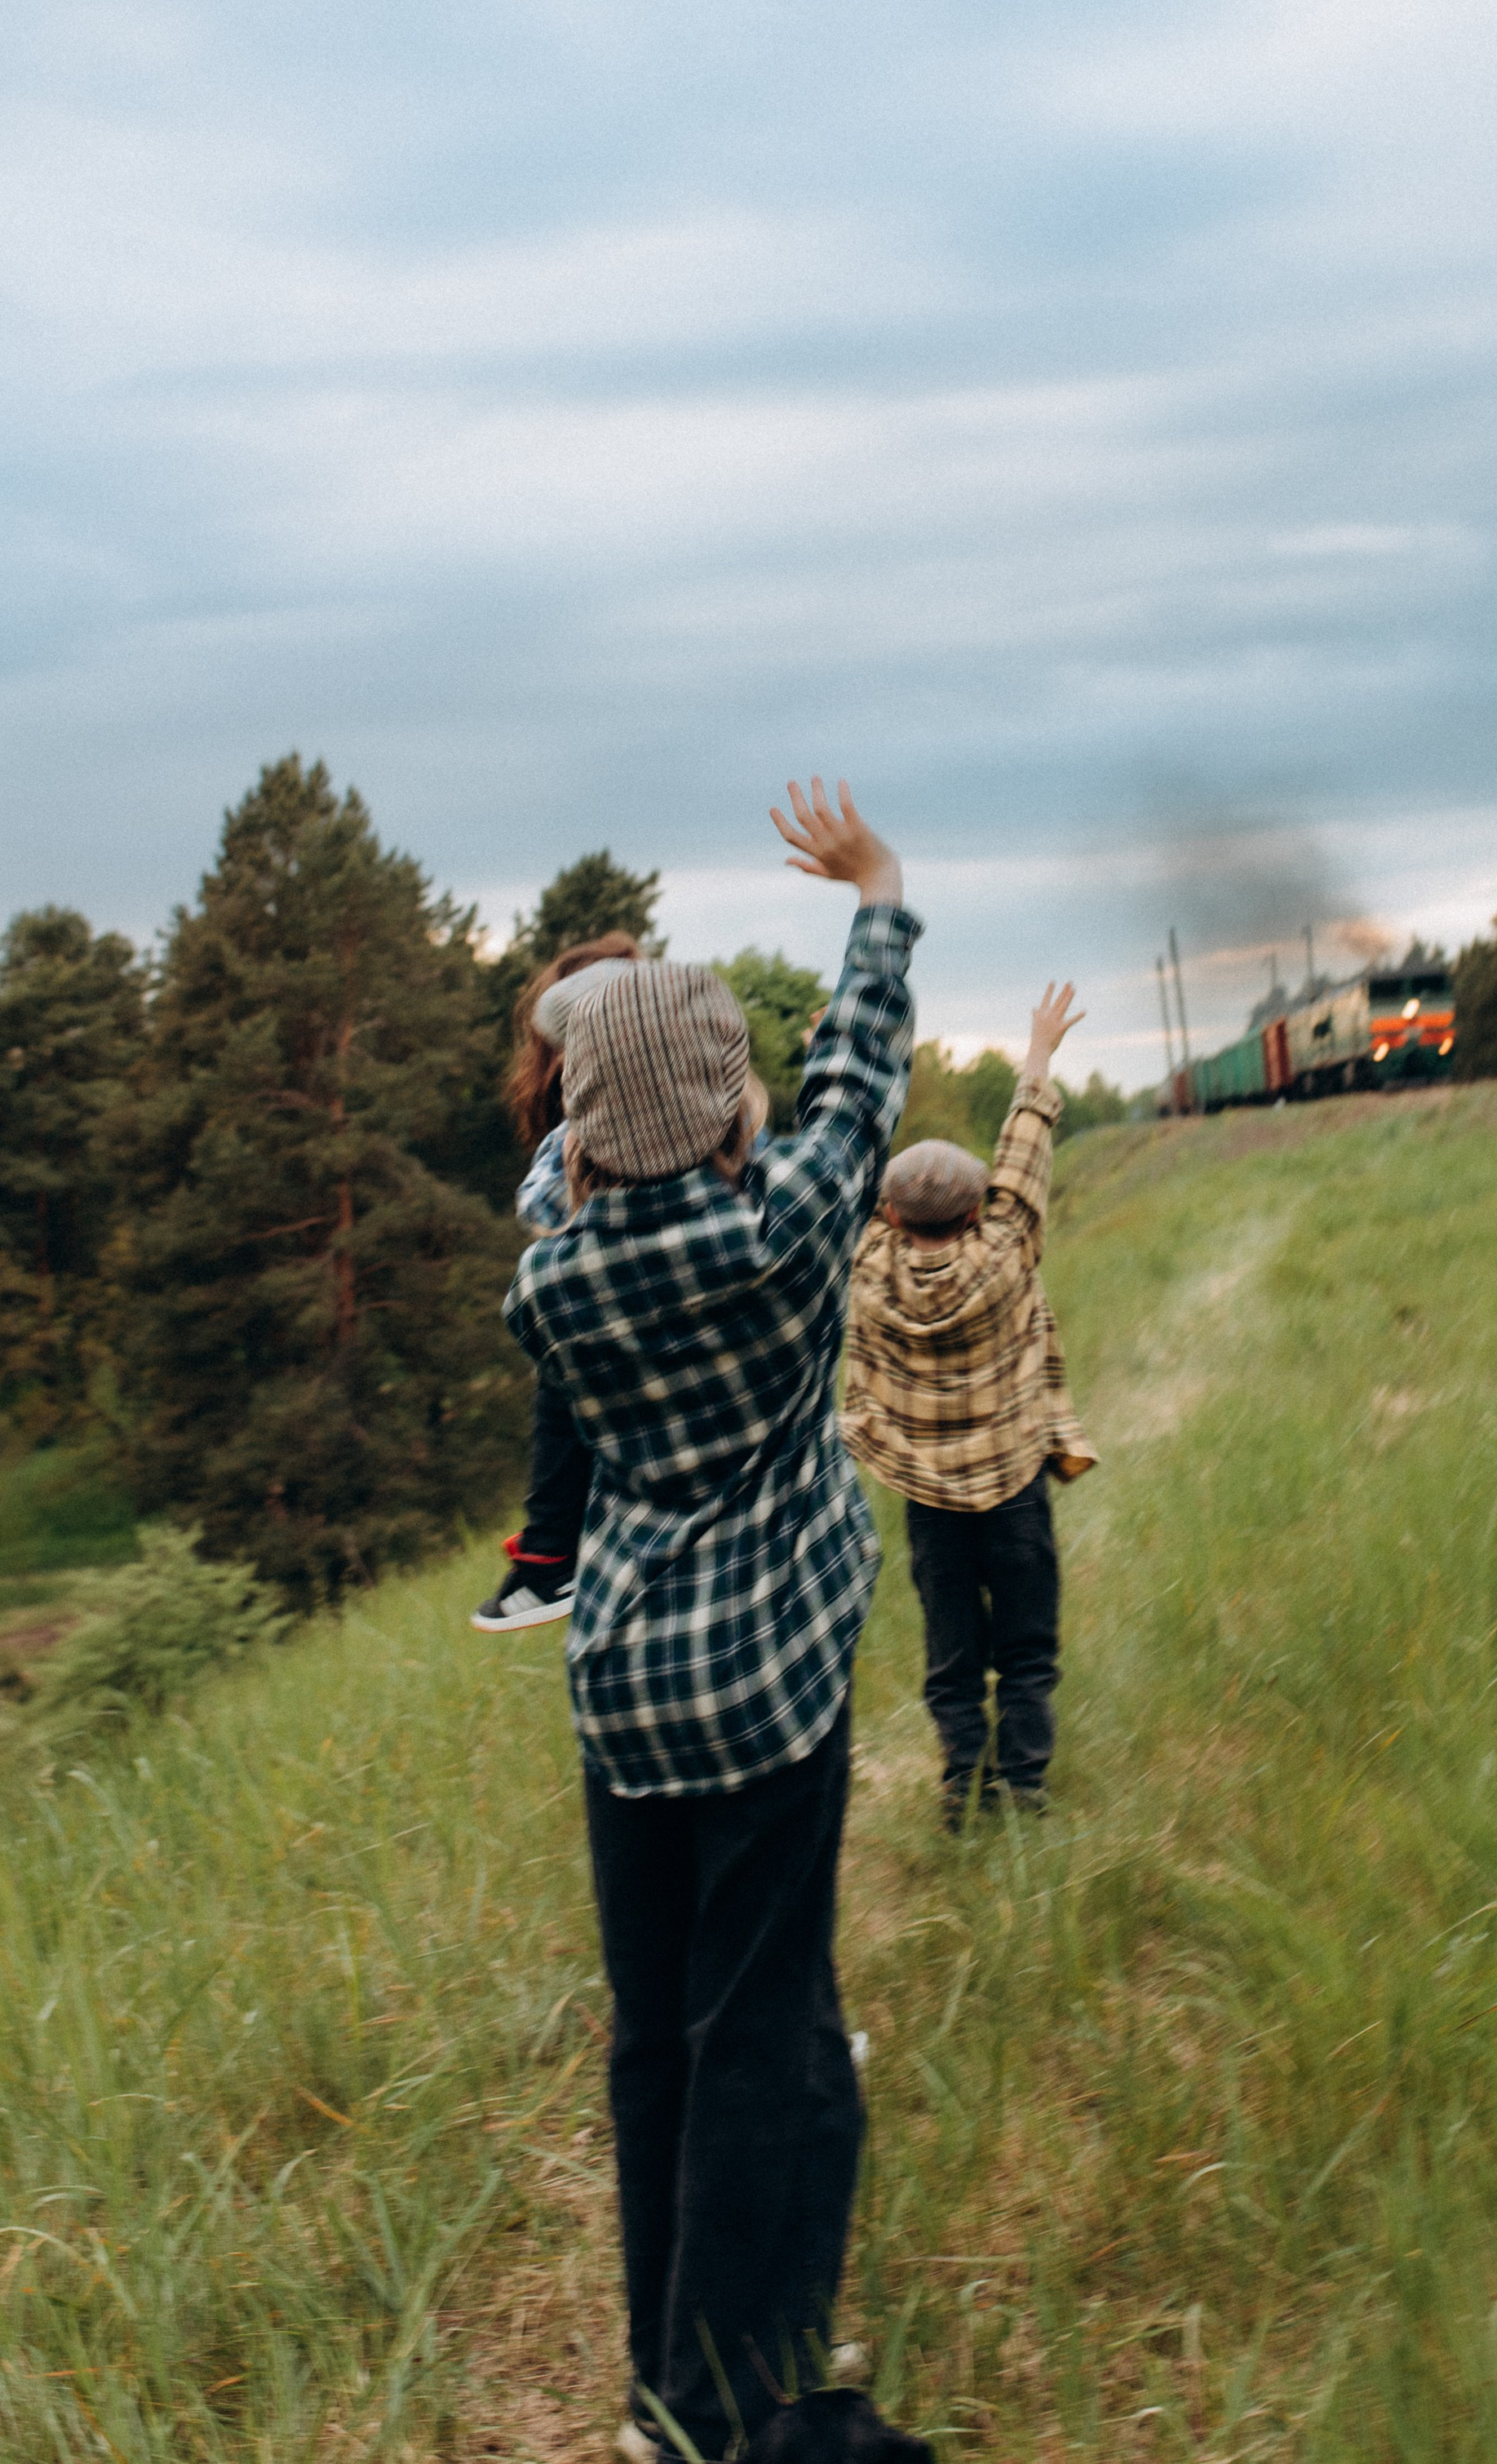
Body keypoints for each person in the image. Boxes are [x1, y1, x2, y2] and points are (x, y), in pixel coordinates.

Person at [502, 780, 926, 2464]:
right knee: (757, 2030)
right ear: (740, 1117)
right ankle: (713, 2399)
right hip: (769, 1700)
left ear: (584, 1136)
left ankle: (649, 2372)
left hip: (623, 1701)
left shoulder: (553, 1271)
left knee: (654, 2037)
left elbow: (567, 1164)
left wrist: (585, 1032)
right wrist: (874, 892)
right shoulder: (792, 1223)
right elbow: (858, 1074)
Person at [840, 982, 1096, 1823]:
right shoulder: (1008, 1250)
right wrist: (1038, 1053)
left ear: (887, 1214)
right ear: (980, 1207)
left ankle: (961, 1785)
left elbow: (840, 1169)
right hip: (1014, 1490)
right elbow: (1025, 1149)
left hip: (930, 1506)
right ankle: (1024, 1787)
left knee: (952, 1651)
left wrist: (838, 1059)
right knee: (1026, 1647)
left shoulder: (867, 1269)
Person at [469, 932, 647, 1633]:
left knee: (563, 1355)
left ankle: (548, 1556)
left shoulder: (697, 1098)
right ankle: (550, 1554)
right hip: (624, 1307)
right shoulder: (576, 1125)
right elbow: (541, 1207)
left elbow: (539, 1211)